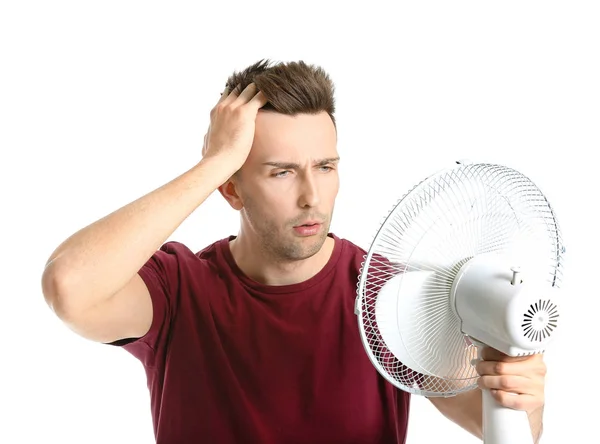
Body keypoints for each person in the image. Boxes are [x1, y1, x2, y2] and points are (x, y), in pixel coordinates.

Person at [41, 59, 546, 444]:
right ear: (231, 189)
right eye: (281, 171)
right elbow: (70, 286)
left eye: (325, 166)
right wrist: (215, 162)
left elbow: (496, 423)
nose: (312, 196)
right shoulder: (177, 292)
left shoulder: (390, 296)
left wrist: (519, 390)